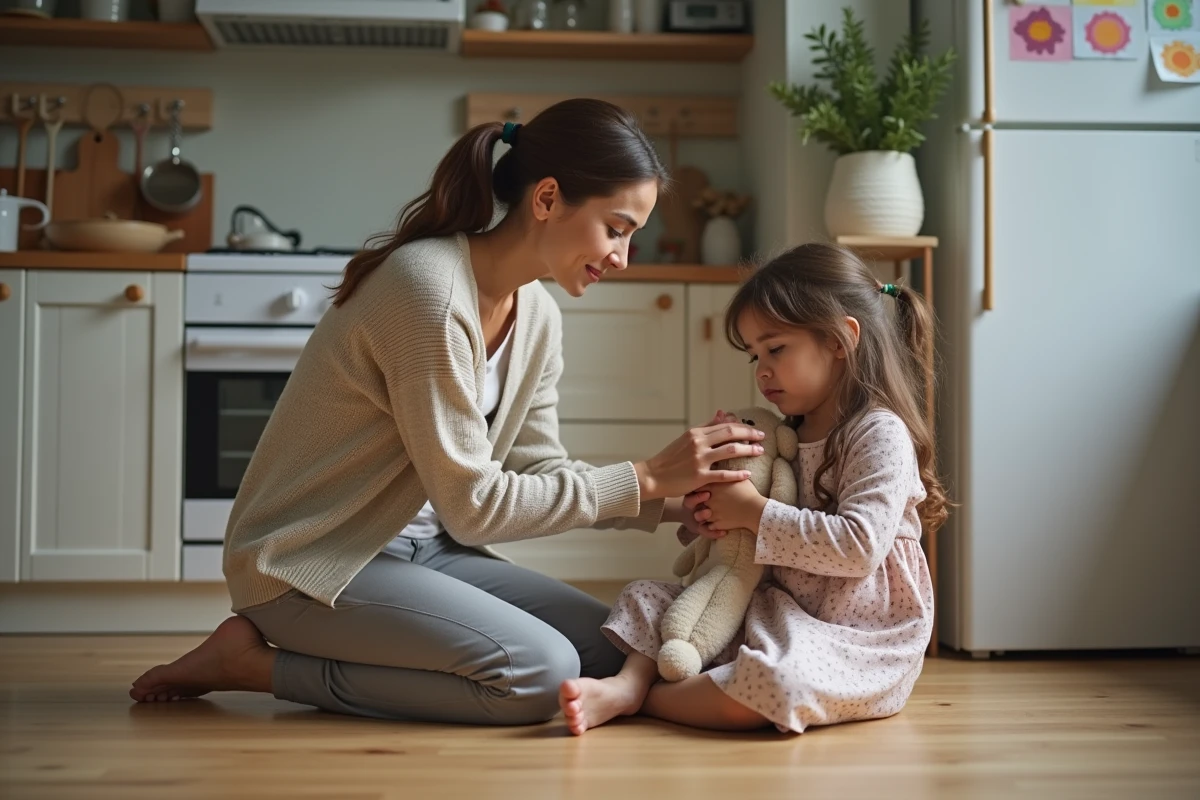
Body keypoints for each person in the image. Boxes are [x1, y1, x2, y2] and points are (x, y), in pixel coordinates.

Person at [129, 99, 767, 725]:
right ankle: (249, 665)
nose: (623, 258)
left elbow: (535, 464)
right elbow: (475, 503)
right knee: (541, 674)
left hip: (428, 549)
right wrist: (647, 476)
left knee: (608, 649)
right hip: (311, 559)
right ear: (546, 199)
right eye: (617, 228)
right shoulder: (428, 291)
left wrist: (680, 504)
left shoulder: (538, 314)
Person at [559, 242, 951, 735]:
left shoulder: (878, 432)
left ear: (839, 339)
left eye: (776, 348)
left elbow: (859, 547)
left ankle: (644, 699)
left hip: (858, 637)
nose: (762, 370)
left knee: (773, 683)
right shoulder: (782, 434)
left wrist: (753, 511)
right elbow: (739, 540)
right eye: (754, 356)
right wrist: (711, 509)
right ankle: (628, 685)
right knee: (648, 598)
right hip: (775, 608)